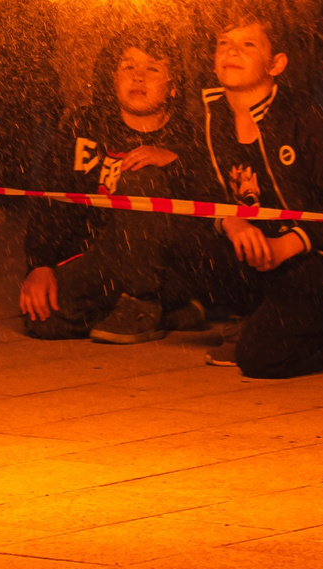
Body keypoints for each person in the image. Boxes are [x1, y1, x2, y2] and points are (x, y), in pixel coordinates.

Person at [199, 10, 323, 378]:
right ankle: (255, 313)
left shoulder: (305, 117)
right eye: (224, 43)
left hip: (316, 257)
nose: (231, 52)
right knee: (175, 234)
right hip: (255, 248)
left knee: (257, 360)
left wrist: (287, 245)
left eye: (247, 44)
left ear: (276, 64)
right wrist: (231, 223)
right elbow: (197, 186)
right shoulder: (208, 115)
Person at [20, 22, 222, 345]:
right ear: (113, 78)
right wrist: (40, 265)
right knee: (43, 317)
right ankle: (167, 313)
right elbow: (50, 200)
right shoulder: (81, 127)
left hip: (168, 270)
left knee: (143, 179)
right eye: (128, 66)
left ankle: (146, 302)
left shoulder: (191, 138)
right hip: (103, 262)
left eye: (153, 68)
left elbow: (214, 208)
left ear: (173, 86)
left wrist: (175, 161)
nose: (138, 76)